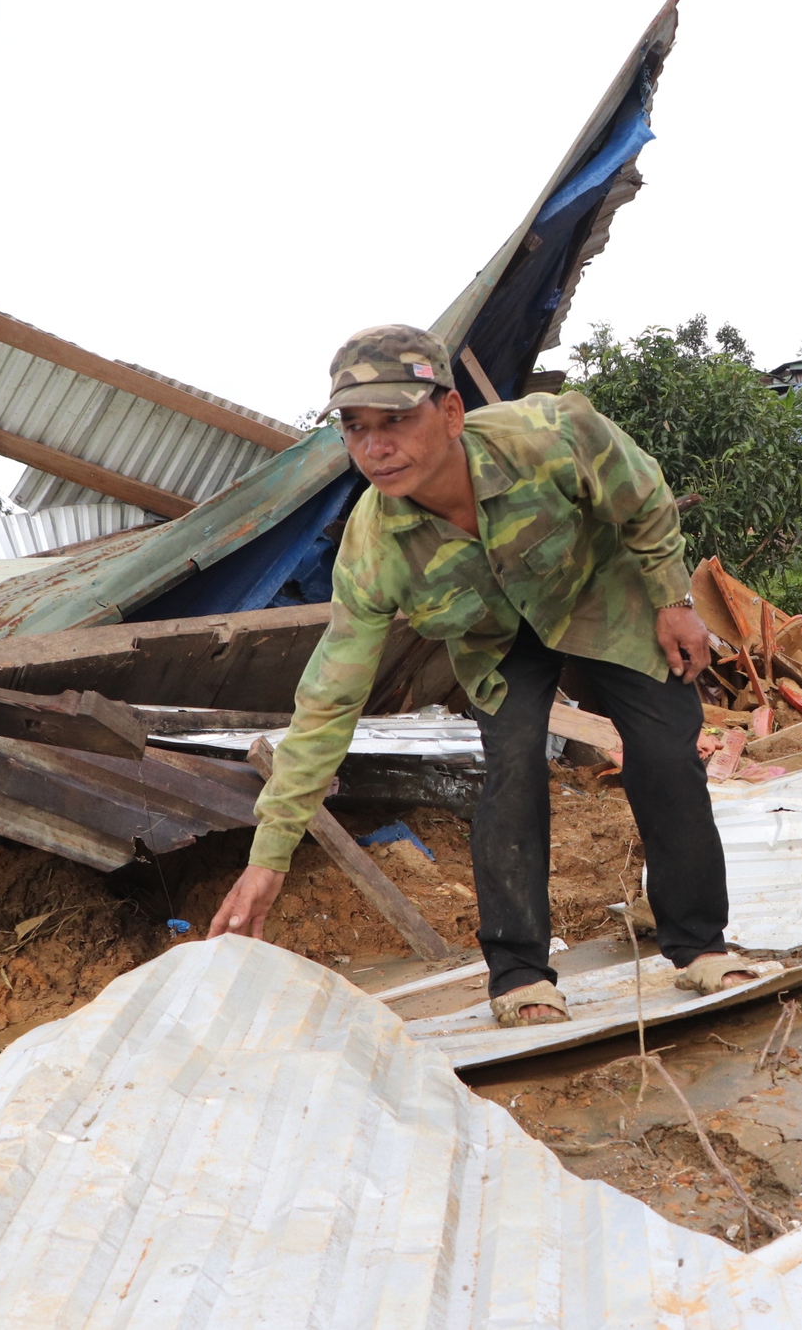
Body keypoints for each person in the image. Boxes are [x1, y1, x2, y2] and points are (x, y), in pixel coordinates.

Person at [208, 325, 763, 1026]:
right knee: (511, 773)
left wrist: (671, 598)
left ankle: (697, 944)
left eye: (397, 421)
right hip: (499, 640)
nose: (376, 447)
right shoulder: (374, 550)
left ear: (449, 413)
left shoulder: (547, 434)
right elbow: (329, 698)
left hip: (602, 595)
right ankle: (521, 976)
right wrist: (271, 852)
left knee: (664, 746)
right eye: (355, 429)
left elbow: (640, 491)